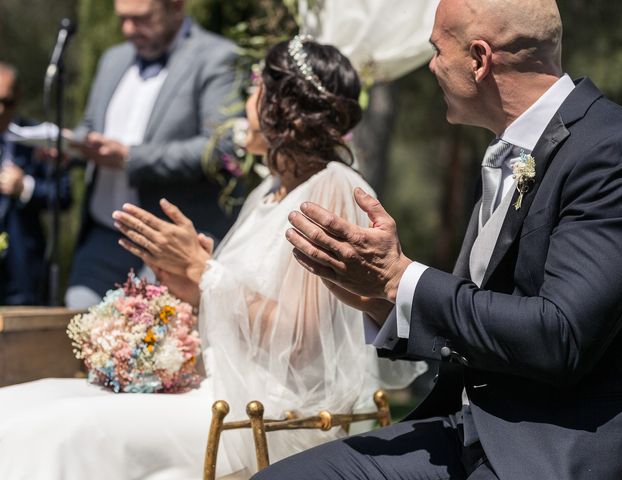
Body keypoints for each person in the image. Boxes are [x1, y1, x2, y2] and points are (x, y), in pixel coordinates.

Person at [0, 37, 423, 480]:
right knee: (27, 398)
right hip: (222, 390)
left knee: (57, 430)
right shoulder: (267, 193)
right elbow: (240, 303)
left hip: (266, 414)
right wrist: (189, 282)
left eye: (255, 89)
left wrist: (204, 272)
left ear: (281, 106)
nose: (245, 102)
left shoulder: (332, 188)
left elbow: (302, 338)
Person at [259, 0, 622, 479]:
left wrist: (404, 280)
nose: (432, 65)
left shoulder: (614, 150)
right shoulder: (509, 149)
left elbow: (559, 336)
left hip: (546, 448)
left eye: (438, 50)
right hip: (463, 428)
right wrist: (381, 299)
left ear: (479, 60)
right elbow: (484, 317)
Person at [65, 0, 244, 309]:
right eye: (123, 19)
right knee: (76, 323)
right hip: (103, 235)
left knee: (152, 346)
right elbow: (91, 125)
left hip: (166, 239)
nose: (128, 30)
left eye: (141, 19)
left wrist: (131, 158)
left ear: (176, 7)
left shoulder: (217, 56)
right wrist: (67, 148)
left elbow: (220, 148)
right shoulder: (113, 59)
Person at [0, 61, 71, 305]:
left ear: (18, 98)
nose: (0, 110)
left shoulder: (38, 137)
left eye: (6, 102)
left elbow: (63, 195)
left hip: (24, 266)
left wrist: (25, 188)